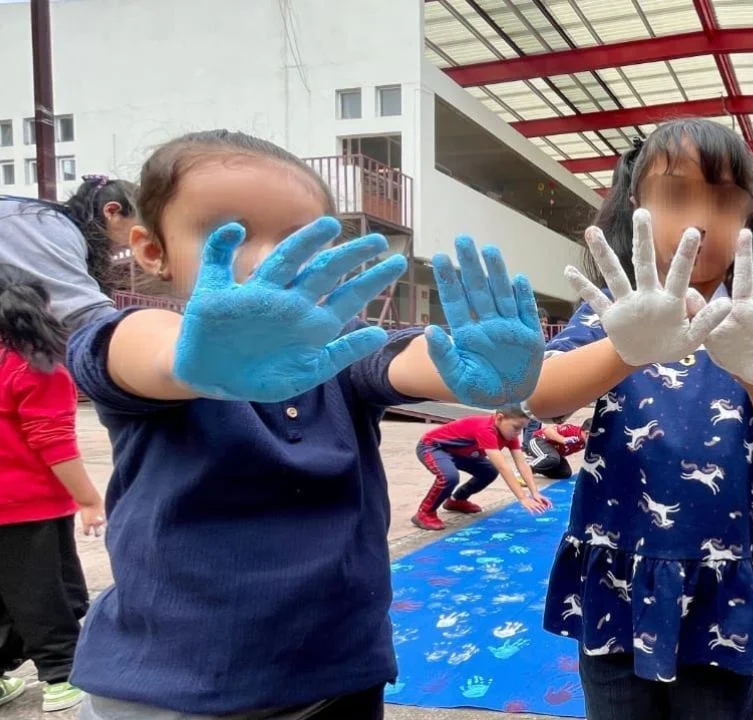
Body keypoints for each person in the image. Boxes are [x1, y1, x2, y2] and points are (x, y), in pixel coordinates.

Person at [66, 130, 546, 720]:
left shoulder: (339, 362)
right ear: (151, 249)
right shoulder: (154, 349)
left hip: (339, 675)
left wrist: (479, 370)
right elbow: (137, 351)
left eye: (298, 240)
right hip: (175, 690)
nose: (268, 258)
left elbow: (401, 357)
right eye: (228, 234)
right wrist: (198, 364)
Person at [529, 118, 753, 719]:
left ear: (752, 216)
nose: (701, 217)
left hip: (722, 588)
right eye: (675, 194)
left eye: (725, 199)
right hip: (619, 581)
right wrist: (625, 347)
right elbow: (542, 399)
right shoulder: (612, 319)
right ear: (635, 206)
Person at [0, 265, 106, 713]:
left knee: (8, 595)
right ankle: (62, 676)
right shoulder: (34, 368)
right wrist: (88, 497)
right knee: (50, 593)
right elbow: (53, 441)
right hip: (29, 507)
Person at [0, 176, 138, 331]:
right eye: (139, 230)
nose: (139, 242)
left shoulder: (52, 222)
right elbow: (84, 312)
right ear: (112, 212)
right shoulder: (49, 228)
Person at [413, 404, 551, 530]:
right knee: (449, 476)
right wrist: (522, 498)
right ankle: (425, 513)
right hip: (433, 447)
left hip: (461, 453)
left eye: (521, 429)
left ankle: (457, 500)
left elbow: (521, 463)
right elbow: (503, 466)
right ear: (499, 418)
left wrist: (534, 492)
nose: (517, 433)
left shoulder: (509, 435)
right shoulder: (486, 429)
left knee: (489, 471)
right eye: (516, 428)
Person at [524, 416, 591, 479]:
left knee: (565, 473)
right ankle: (525, 469)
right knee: (553, 458)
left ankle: (537, 464)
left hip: (555, 452)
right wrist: (563, 440)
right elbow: (547, 431)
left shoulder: (586, 441)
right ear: (587, 433)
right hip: (539, 441)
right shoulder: (572, 430)